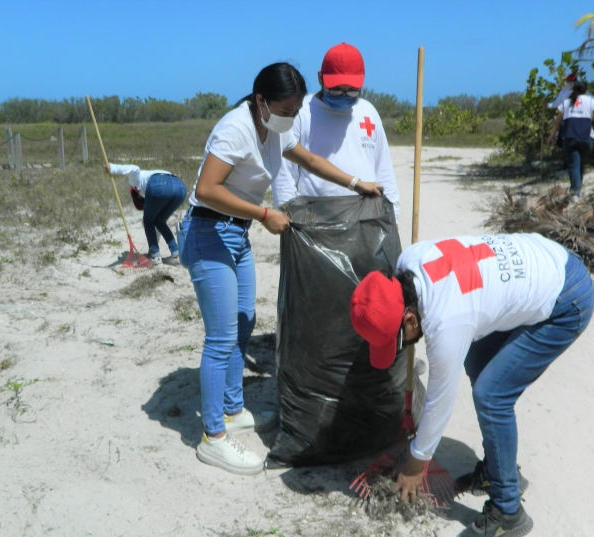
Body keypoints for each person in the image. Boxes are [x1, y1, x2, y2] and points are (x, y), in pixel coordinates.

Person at [182, 62, 384, 477]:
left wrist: (355, 183)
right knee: (220, 338)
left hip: (234, 235)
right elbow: (206, 189)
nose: (291, 118)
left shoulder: (276, 127)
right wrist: (262, 213)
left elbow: (307, 159)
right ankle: (213, 438)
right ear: (261, 100)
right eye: (285, 110)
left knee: (243, 321)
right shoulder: (235, 128)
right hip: (207, 233)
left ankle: (234, 408)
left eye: (295, 111)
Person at [350, 233, 594, 537]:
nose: (402, 346)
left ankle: (508, 509)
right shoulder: (409, 261)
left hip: (566, 298)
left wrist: (415, 462)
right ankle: (500, 469)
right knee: (478, 360)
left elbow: (440, 401)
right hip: (541, 259)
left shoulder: (445, 323)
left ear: (410, 319)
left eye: (398, 339)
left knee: (492, 395)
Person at [273, 42, 400, 221]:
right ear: (320, 78)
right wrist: (288, 217)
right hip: (316, 218)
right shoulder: (301, 113)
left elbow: (383, 168)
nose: (344, 95)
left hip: (366, 217)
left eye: (351, 91)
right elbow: (284, 174)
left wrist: (392, 216)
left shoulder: (368, 112)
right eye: (337, 89)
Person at [104, 163, 187, 264]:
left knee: (148, 221)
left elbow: (134, 168)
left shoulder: (135, 183)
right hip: (180, 187)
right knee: (160, 221)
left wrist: (113, 168)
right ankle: (176, 252)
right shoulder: (148, 179)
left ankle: (155, 256)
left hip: (159, 184)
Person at [547, 81, 594, 200]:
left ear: (573, 90)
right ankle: (577, 190)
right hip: (585, 138)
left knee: (573, 165)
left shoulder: (566, 102)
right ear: (586, 90)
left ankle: (575, 192)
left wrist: (551, 136)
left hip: (569, 138)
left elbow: (557, 122)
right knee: (580, 164)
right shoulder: (591, 101)